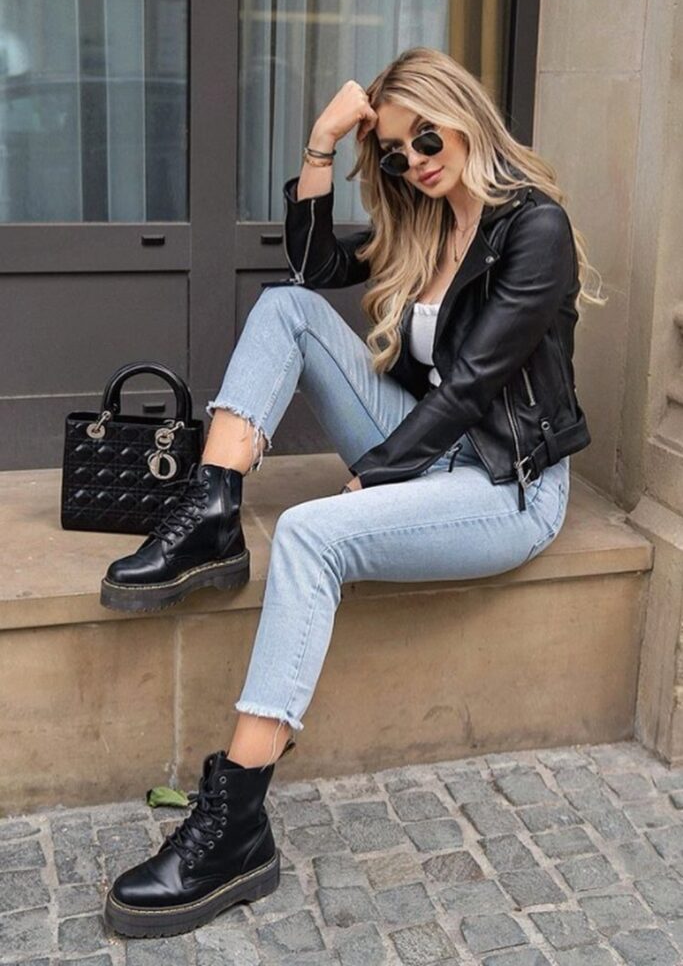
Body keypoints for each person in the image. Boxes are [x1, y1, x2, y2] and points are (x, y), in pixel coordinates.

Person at [101, 46, 604, 938]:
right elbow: (307, 264)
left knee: (309, 534)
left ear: (462, 115)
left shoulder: (533, 230)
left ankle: (236, 823)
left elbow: (471, 387)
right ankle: (213, 508)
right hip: (430, 452)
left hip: (505, 485)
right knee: (283, 310)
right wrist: (323, 146)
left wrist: (374, 473)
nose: (414, 159)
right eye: (398, 152)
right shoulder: (423, 219)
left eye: (425, 137)